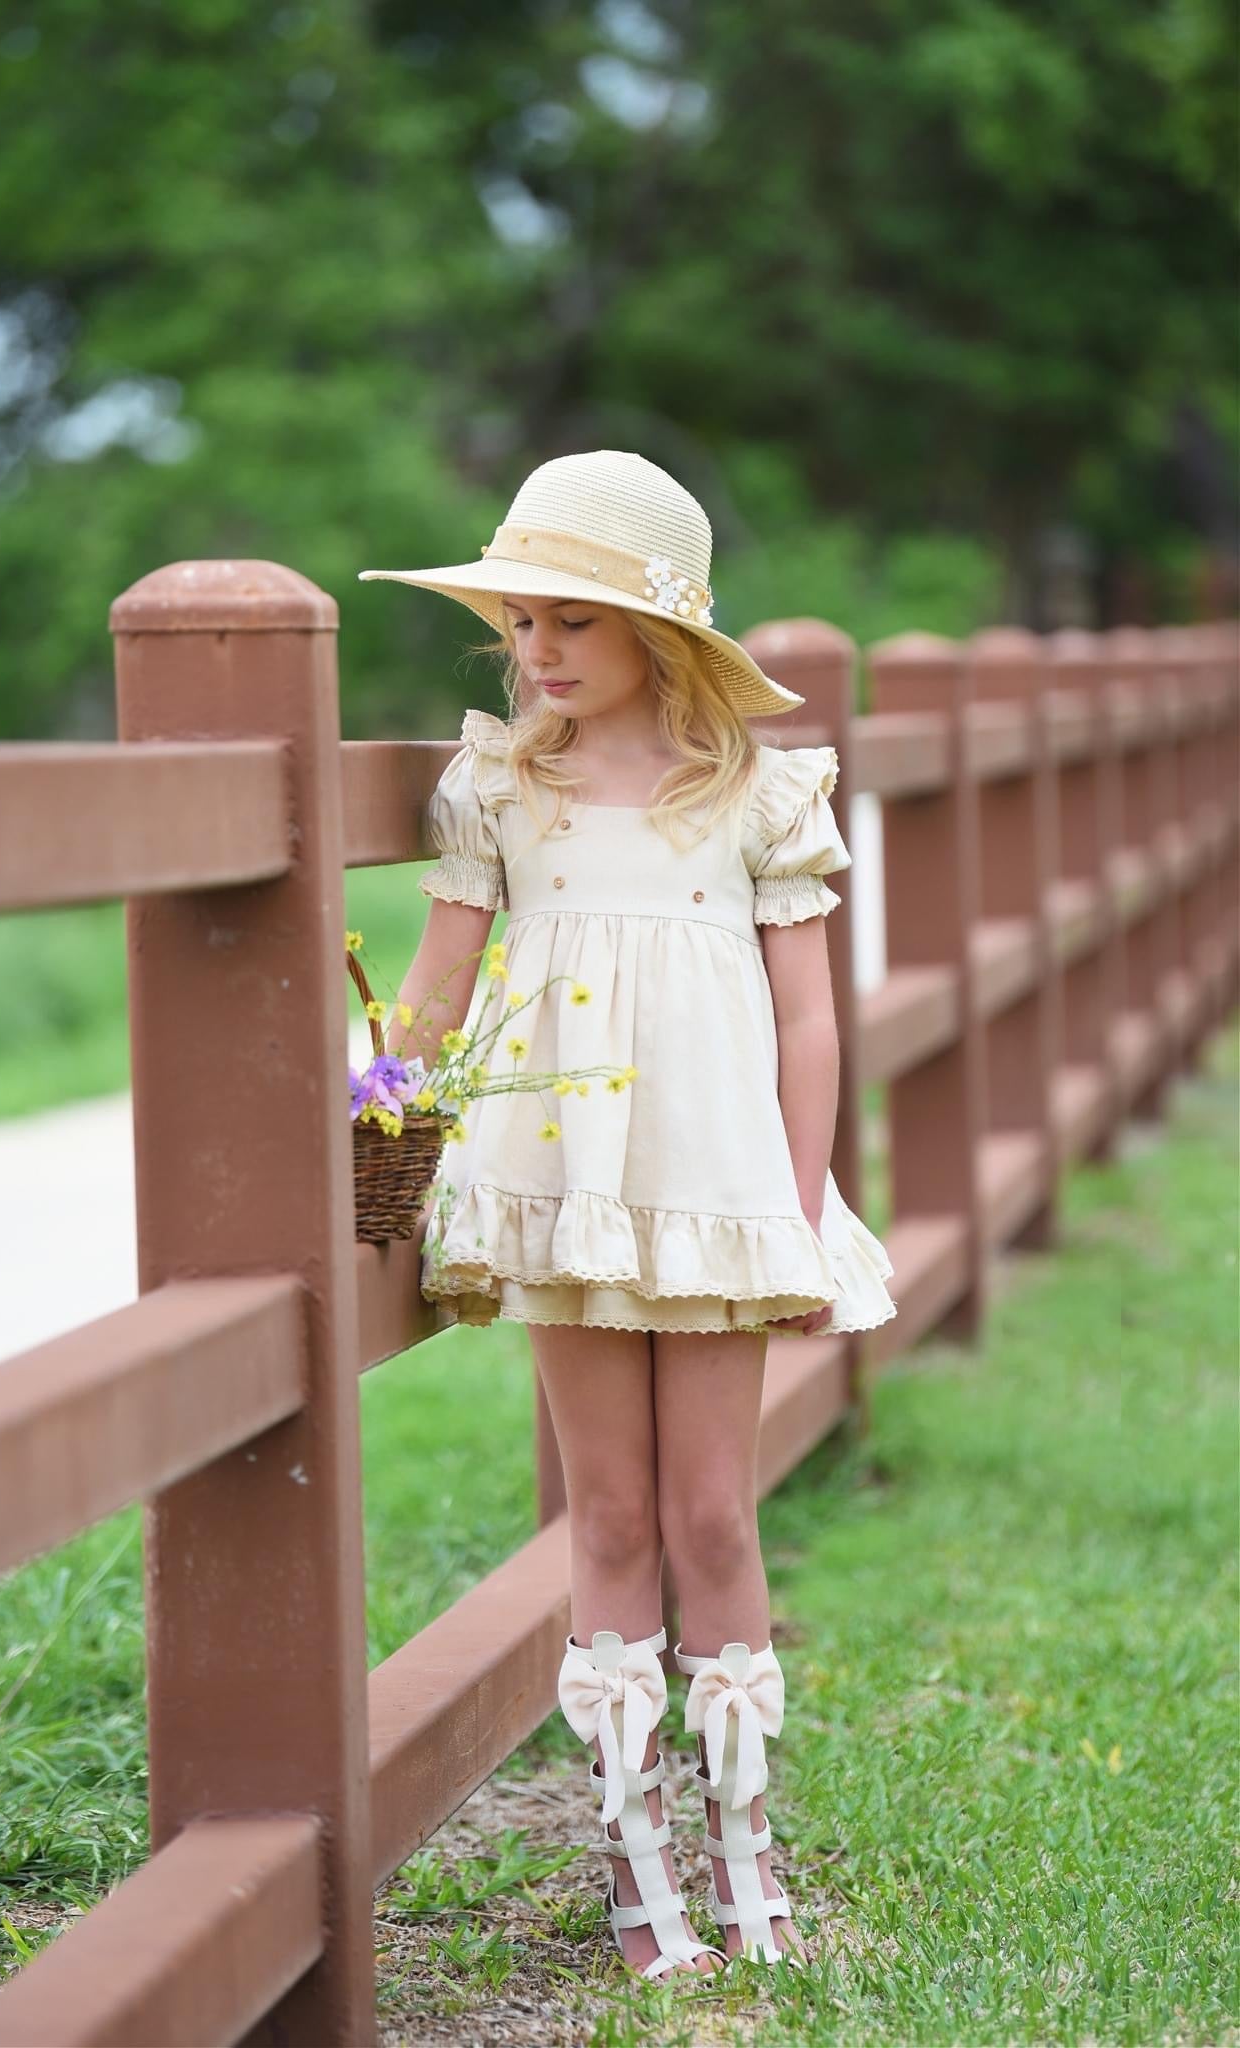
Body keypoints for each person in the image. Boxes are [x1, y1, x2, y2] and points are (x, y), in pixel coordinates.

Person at [357, 450, 897, 1983]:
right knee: (606, 1516)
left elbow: (807, 1024)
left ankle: (741, 1833)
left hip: (722, 1199)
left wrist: (795, 1213)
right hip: (571, 1194)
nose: (534, 655)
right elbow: (440, 982)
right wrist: (390, 1101)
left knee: (713, 1515)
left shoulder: (754, 795)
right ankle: (632, 1843)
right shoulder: (501, 791)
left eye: (567, 627)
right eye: (519, 625)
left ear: (658, 637)